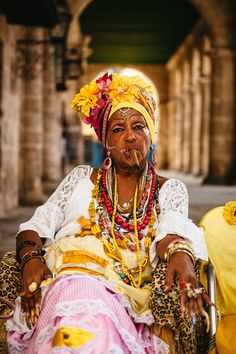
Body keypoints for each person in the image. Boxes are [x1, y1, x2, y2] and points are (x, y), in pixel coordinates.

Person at [6, 72, 209, 354]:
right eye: (117, 129)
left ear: (151, 136)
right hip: (69, 279)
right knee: (77, 311)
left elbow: (171, 230)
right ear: (105, 143)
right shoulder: (80, 179)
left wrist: (181, 254)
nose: (129, 136)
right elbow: (37, 224)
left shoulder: (169, 188)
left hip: (129, 292)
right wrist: (30, 258)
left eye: (139, 127)